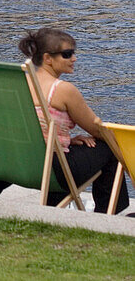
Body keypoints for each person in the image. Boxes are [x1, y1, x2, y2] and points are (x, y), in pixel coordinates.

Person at [19, 27, 129, 214]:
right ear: (47, 58)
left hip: (21, 162)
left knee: (81, 149)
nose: (74, 59)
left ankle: (55, 206)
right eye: (67, 54)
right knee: (109, 147)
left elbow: (37, 127)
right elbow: (97, 129)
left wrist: (66, 139)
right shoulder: (62, 90)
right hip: (52, 170)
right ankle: (107, 216)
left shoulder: (22, 82)